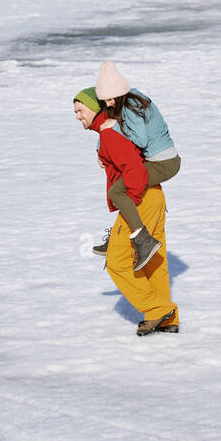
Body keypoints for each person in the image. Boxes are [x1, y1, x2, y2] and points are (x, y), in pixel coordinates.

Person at [74, 91, 179, 335]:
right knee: (154, 261)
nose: (77, 116)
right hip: (153, 196)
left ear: (96, 108)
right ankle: (166, 320)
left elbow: (135, 171)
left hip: (141, 199)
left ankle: (159, 309)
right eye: (75, 112)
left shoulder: (110, 133)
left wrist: (129, 209)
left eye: (81, 110)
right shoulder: (109, 131)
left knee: (117, 262)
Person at [86, 62, 181, 271]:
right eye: (104, 101)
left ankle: (144, 240)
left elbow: (140, 139)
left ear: (120, 93)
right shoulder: (124, 101)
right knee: (124, 180)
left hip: (165, 163)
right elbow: (107, 127)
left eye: (110, 99)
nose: (108, 104)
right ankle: (120, 235)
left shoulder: (132, 106)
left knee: (117, 191)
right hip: (156, 160)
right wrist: (99, 149)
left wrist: (116, 127)